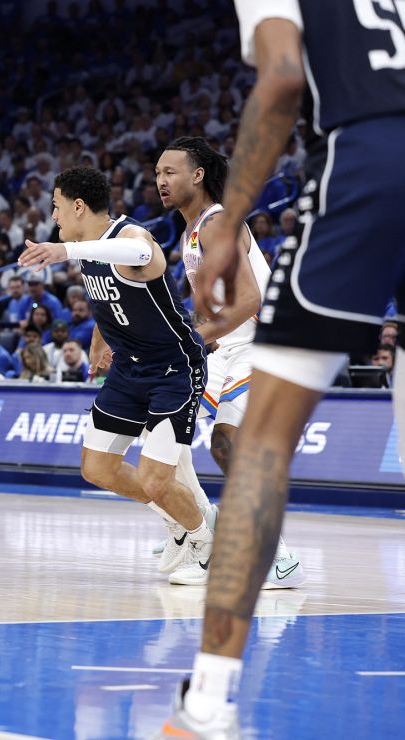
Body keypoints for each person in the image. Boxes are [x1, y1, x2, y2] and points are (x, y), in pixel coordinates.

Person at [157, 3, 405, 736]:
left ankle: (206, 702)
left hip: (366, 163)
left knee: (260, 446)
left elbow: (283, 78)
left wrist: (230, 219)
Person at [19, 166, 214, 588]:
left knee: (153, 478)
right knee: (97, 468)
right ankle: (178, 522)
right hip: (128, 367)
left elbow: (147, 258)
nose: (53, 219)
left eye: (55, 208)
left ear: (77, 206)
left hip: (173, 368)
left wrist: (63, 253)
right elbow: (107, 301)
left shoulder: (130, 237)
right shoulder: (89, 249)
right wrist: (97, 342)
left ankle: (203, 540)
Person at [156, 135, 305, 589]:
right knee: (164, 432)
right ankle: (201, 529)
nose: (159, 181)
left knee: (225, 445)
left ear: (197, 175)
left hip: (260, 344)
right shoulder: (191, 231)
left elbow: (248, 300)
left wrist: (195, 340)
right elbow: (210, 308)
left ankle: (277, 554)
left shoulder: (219, 222)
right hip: (226, 348)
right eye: (158, 173)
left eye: (170, 172)